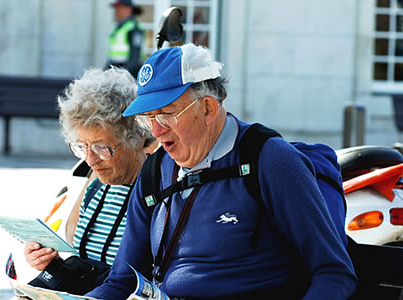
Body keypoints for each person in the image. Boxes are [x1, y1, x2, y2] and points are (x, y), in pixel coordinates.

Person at [87, 43, 357, 300]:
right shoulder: (155, 170)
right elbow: (121, 282)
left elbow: (333, 272)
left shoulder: (269, 160)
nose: (156, 131)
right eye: (149, 118)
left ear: (207, 108)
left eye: (167, 113)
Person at [23, 67, 155, 294]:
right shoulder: (96, 186)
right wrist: (47, 261)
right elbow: (83, 261)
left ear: (135, 138)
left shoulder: (157, 189)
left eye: (101, 147)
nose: (90, 159)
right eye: (82, 146)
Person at [106, 0, 145, 78]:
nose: (117, 11)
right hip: (115, 68)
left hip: (127, 71)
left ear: (129, 9)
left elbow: (135, 57)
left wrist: (123, 75)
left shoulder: (134, 27)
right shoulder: (117, 26)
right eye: (116, 8)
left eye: (120, 8)